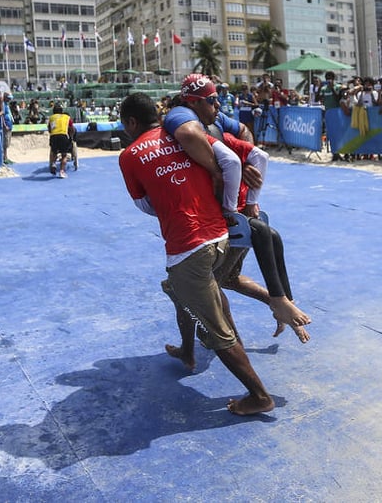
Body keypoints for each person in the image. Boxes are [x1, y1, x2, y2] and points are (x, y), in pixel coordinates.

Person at [118, 92, 275, 416]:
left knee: (216, 330)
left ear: (131, 122)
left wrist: (171, 203)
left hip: (188, 247)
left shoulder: (130, 155)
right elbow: (233, 159)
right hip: (220, 237)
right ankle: (188, 352)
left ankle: (259, 395)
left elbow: (144, 205)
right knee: (184, 293)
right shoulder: (184, 134)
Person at [163, 74, 311, 340]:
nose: (218, 105)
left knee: (207, 285)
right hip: (221, 214)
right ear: (193, 103)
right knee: (230, 274)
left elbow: (244, 132)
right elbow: (187, 133)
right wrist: (231, 169)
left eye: (218, 99)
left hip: (224, 216)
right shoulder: (180, 116)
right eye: (211, 100)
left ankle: (241, 335)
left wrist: (247, 165)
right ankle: (280, 304)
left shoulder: (215, 120)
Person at [47, 103, 75, 177]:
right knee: (64, 155)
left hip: (53, 136)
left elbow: (49, 129)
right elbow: (72, 128)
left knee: (54, 152)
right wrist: (71, 137)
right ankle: (62, 172)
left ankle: (53, 163)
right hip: (63, 136)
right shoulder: (67, 117)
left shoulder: (51, 118)